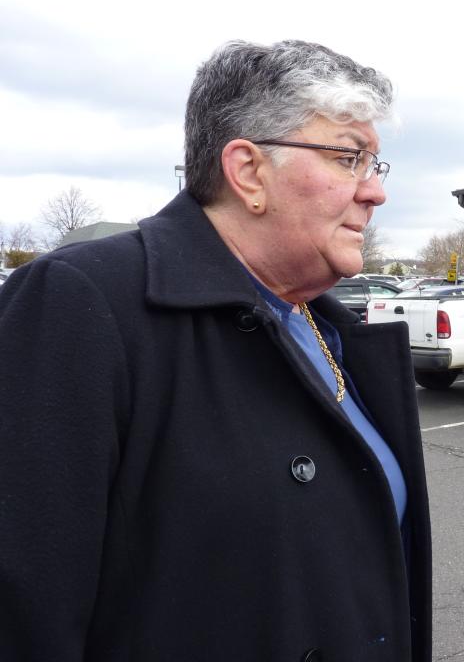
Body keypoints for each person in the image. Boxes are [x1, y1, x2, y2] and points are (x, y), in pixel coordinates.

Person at [0, 41, 431, 661]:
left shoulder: (328, 328)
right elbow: (24, 613)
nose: (375, 192)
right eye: (348, 157)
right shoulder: (84, 304)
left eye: (374, 165)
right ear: (248, 171)